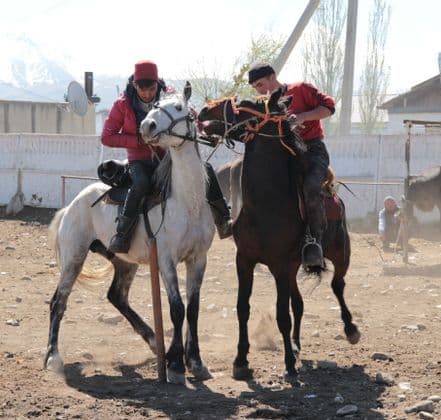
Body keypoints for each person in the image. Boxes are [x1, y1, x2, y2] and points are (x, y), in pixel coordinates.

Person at [101, 60, 232, 253]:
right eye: (141, 88)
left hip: (168, 156)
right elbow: (107, 137)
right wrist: (138, 140)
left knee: (207, 170)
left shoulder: (170, 95)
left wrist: (203, 132)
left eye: (151, 88)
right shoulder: (122, 104)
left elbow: (189, 116)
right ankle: (122, 235)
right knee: (141, 184)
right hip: (140, 160)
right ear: (134, 85)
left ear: (157, 83)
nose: (147, 93)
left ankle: (223, 221)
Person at [248, 62, 335, 272]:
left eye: (260, 84)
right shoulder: (264, 104)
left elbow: (329, 108)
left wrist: (303, 116)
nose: (259, 91)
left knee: (311, 188)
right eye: (255, 88)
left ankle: (315, 243)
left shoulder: (301, 88)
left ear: (272, 77)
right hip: (283, 154)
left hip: (313, 150)